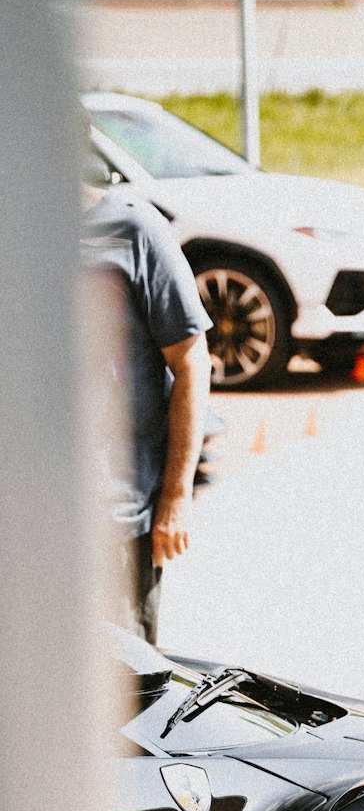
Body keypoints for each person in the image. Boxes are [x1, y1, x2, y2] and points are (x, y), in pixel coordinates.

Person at [81, 161, 212, 642]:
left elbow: (193, 362)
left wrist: (176, 498)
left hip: (116, 518)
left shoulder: (132, 227)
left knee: (124, 691)